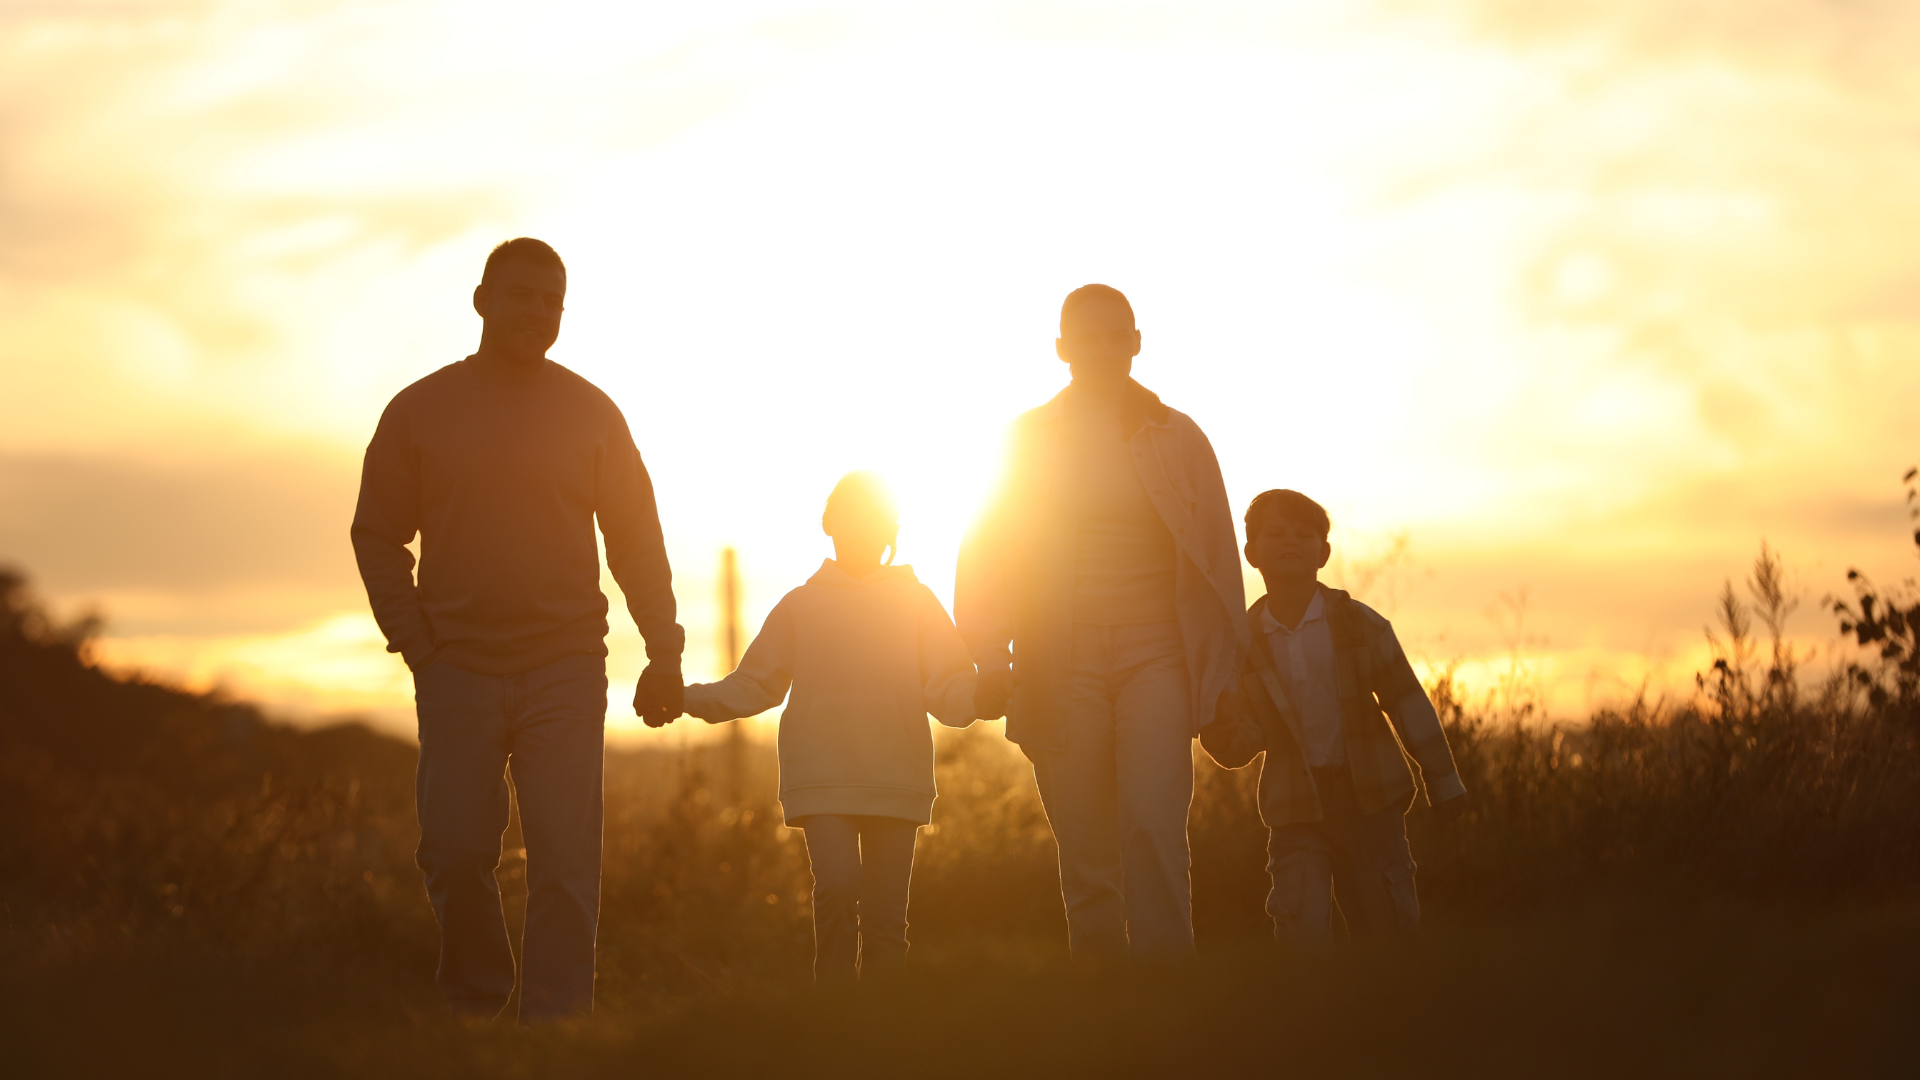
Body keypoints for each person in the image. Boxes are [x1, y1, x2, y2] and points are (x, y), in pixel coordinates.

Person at [350, 238, 685, 1022]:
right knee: (456, 852)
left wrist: (663, 648)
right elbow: (377, 535)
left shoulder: (592, 413)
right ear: (481, 301)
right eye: (522, 296)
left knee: (567, 865)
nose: (538, 312)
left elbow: (636, 539)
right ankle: (476, 1000)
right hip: (455, 669)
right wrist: (419, 646)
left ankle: (555, 1031)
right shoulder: (418, 411)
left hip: (566, 666)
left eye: (553, 302)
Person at [955, 285, 1247, 963]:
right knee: (1084, 840)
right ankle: (1100, 988)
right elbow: (985, 550)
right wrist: (988, 654)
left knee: (1153, 823)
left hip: (1158, 654)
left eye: (1116, 336)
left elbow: (1216, 554)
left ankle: (1166, 981)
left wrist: (1223, 669)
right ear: (1062, 350)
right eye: (1086, 338)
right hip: (1059, 657)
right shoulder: (1023, 440)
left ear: (1137, 343)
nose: (1102, 349)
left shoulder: (1179, 436)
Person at [683, 472, 994, 983]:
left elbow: (950, 688)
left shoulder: (917, 602)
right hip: (822, 777)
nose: (861, 530)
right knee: (836, 890)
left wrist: (981, 695)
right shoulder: (802, 606)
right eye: (850, 519)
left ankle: (880, 1031)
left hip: (895, 779)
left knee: (886, 917)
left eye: (872, 521)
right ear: (829, 525)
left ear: (890, 530)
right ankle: (831, 1016)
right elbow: (753, 684)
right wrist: (688, 698)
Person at [1199, 489, 1468, 946]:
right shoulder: (1239, 644)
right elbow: (1241, 739)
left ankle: (1382, 1011)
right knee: (1299, 924)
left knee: (1388, 929)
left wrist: (1443, 782)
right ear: (1251, 552)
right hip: (1294, 808)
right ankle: (1311, 1013)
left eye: (1305, 535)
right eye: (1276, 534)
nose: (1291, 543)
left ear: (1323, 553)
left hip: (1371, 800)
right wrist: (1219, 727)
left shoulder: (1360, 625)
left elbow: (1408, 704)